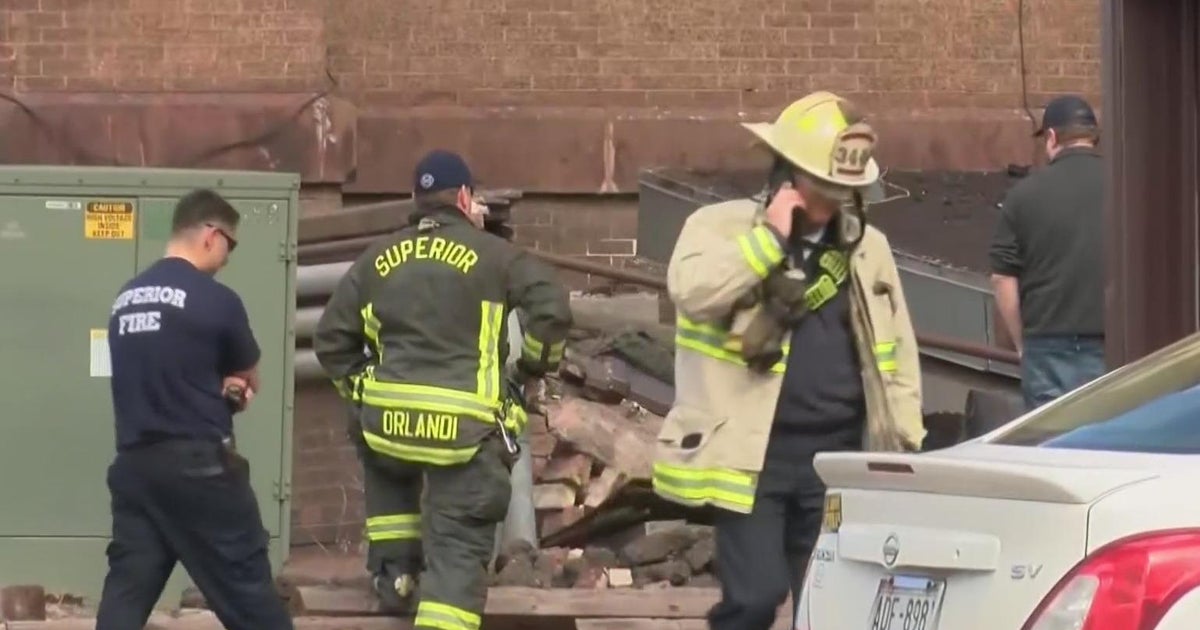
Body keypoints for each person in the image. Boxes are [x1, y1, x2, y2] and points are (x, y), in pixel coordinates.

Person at [652, 91, 925, 630]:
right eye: (824, 188)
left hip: (838, 454)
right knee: (756, 598)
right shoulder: (718, 228)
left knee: (825, 607)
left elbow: (898, 350)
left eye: (844, 191)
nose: (833, 202)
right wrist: (771, 238)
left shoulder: (869, 247)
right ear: (786, 172)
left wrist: (906, 440)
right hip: (754, 454)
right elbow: (694, 292)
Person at [314, 149, 571, 630]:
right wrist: (535, 363)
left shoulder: (377, 257)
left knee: (388, 479)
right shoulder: (495, 255)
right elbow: (552, 309)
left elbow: (331, 340)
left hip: (388, 429)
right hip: (465, 435)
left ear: (417, 200)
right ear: (465, 198)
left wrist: (362, 391)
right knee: (455, 560)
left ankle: (396, 578)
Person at [95, 189, 293, 630]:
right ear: (210, 235)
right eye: (230, 244)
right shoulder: (216, 299)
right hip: (200, 469)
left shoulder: (125, 298)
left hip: (136, 469)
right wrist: (232, 387)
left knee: (128, 591)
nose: (228, 257)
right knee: (248, 591)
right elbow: (248, 375)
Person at [989, 94, 1105, 411]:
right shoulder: (1125, 186)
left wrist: (1022, 344)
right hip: (1112, 343)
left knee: (1051, 448)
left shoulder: (1023, 196)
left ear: (1051, 137)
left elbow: (1002, 278)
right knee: (1109, 447)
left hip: (1047, 345)